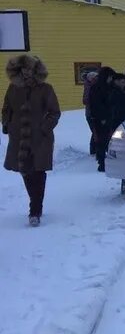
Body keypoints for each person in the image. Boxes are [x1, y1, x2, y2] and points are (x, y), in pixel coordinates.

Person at [2, 55, 61, 226]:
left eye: (29, 69)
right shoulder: (13, 88)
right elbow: (6, 108)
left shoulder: (45, 88)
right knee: (25, 171)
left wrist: (44, 128)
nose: (26, 72)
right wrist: (7, 124)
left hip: (40, 138)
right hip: (19, 137)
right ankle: (35, 203)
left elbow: (54, 112)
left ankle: (35, 210)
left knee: (38, 172)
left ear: (35, 70)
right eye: (23, 69)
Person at [88, 67, 118, 172]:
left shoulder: (109, 87)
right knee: (102, 140)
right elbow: (96, 104)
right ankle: (102, 162)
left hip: (109, 117)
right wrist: (102, 117)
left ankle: (107, 160)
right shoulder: (97, 88)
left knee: (109, 140)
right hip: (100, 118)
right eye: (110, 77)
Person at [82, 70, 98, 155]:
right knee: (95, 132)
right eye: (95, 78)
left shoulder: (91, 86)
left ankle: (94, 150)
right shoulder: (89, 86)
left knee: (95, 132)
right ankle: (93, 151)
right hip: (90, 113)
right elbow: (85, 100)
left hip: (93, 113)